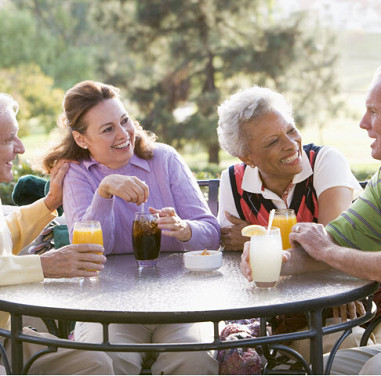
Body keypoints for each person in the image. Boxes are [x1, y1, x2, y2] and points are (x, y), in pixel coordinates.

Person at [42, 80, 220, 375]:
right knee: (105, 362)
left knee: (194, 360)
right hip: (108, 306)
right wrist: (105, 192)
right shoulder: (77, 173)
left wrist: (184, 228)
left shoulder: (164, 159)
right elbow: (91, 251)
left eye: (124, 121)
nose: (124, 134)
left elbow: (211, 234)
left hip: (181, 302)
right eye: (108, 129)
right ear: (82, 139)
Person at [241, 66, 381, 374]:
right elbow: (336, 239)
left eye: (374, 111)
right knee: (323, 366)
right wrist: (278, 260)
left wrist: (328, 252)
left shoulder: (324, 161)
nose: (363, 123)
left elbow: (329, 249)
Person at [0, 93, 113, 374]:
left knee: (94, 364)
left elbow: (6, 233)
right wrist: (47, 265)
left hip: (7, 337)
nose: (20, 148)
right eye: (7, 140)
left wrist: (49, 203)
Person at [216, 85, 361, 252]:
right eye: (273, 141)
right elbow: (231, 243)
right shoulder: (234, 180)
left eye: (291, 130)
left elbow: (331, 243)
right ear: (247, 158)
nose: (291, 145)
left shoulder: (326, 161)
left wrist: (257, 240)